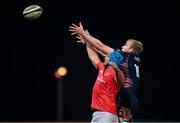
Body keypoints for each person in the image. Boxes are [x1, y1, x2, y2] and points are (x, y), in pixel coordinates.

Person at [69, 22, 143, 122]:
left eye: (125, 45)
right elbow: (103, 52)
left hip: (126, 98)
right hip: (129, 98)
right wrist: (87, 41)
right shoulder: (132, 59)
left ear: (130, 49)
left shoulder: (126, 56)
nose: (122, 46)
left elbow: (101, 46)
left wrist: (84, 33)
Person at [70, 30, 125, 122]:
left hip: (107, 113)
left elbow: (121, 81)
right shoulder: (102, 68)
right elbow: (93, 57)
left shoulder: (116, 73)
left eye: (107, 56)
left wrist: (117, 69)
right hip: (98, 113)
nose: (104, 57)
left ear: (113, 60)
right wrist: (87, 40)